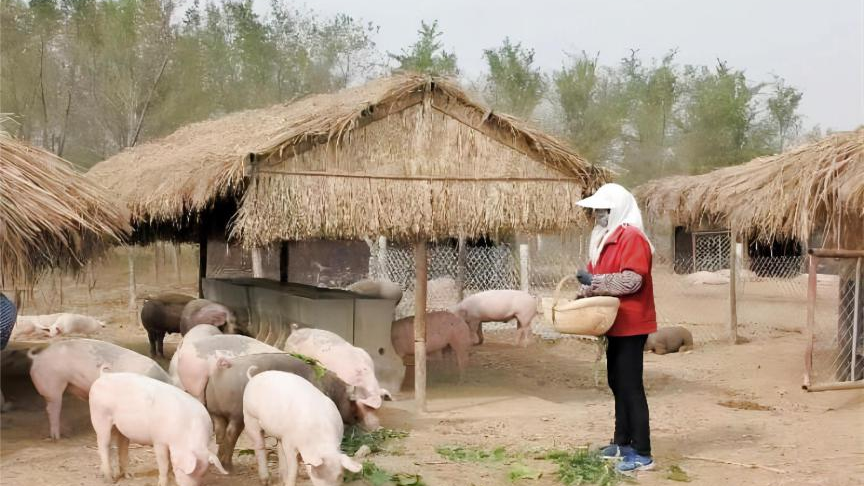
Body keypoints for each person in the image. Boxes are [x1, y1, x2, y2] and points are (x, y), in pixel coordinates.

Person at [575, 183, 656, 473]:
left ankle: (643, 452)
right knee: (616, 382)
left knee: (631, 386)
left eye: (604, 210)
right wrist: (583, 294)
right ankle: (622, 442)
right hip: (613, 320)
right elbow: (596, 278)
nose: (599, 215)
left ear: (619, 209)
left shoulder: (632, 237)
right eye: (597, 210)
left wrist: (593, 283)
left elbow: (632, 281)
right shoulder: (604, 238)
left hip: (632, 321)